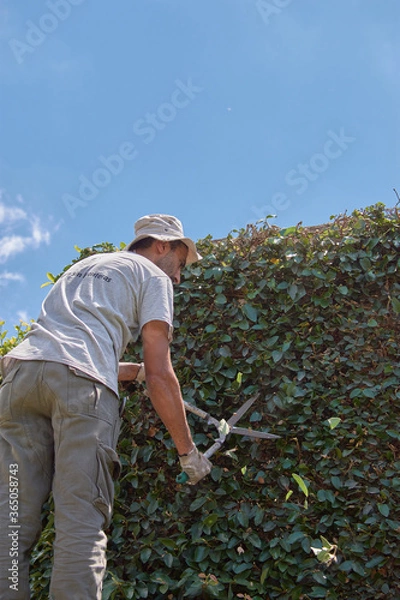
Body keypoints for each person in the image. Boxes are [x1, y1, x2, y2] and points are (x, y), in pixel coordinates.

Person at [0, 214, 212, 599]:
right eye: (180, 264)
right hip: (81, 393)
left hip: (19, 380)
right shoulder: (154, 277)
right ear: (161, 245)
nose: (178, 277)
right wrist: (188, 452)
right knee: (80, 517)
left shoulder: (84, 268)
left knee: (10, 521)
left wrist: (132, 372)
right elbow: (161, 373)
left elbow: (64, 352)